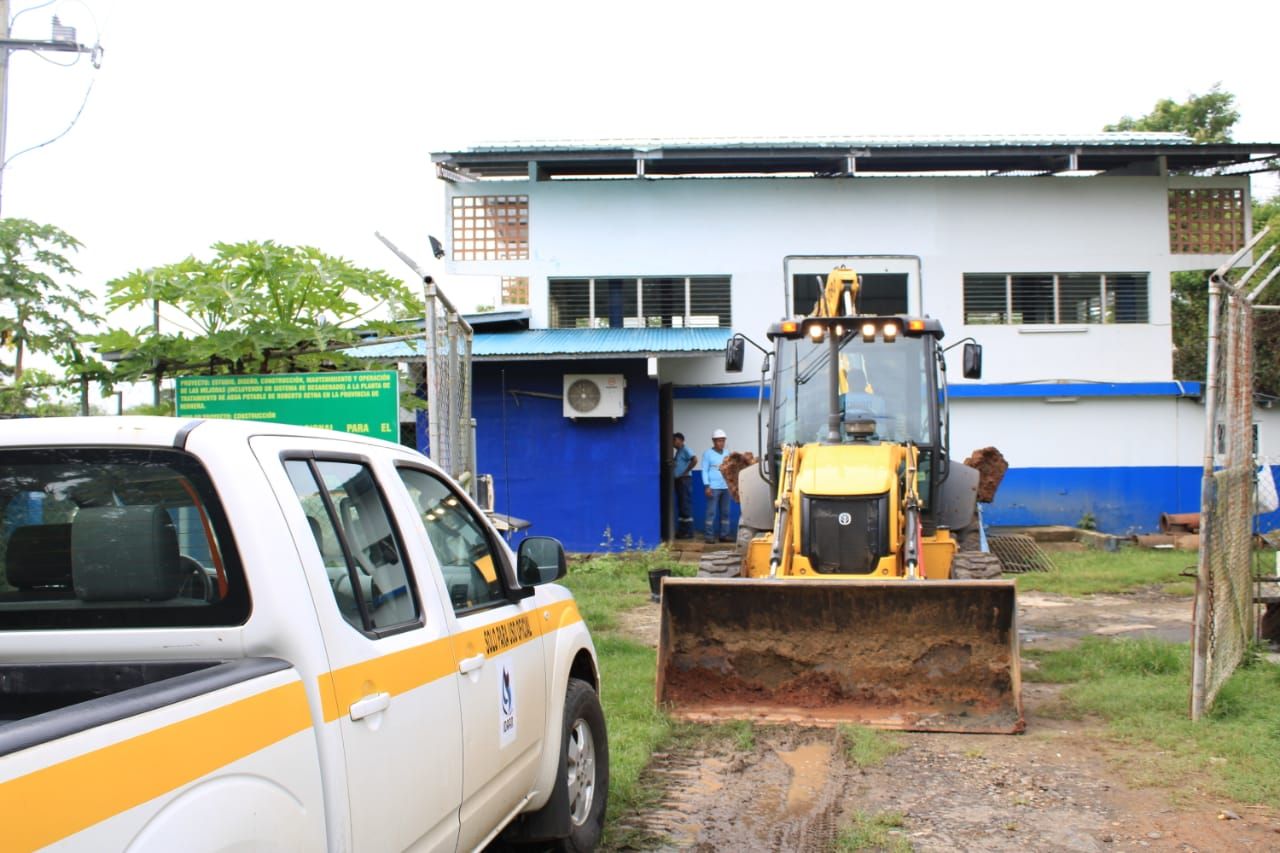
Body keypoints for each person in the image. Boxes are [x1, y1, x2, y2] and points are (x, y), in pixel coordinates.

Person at [702, 429, 731, 544]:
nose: (721, 443)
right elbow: (704, 471)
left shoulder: (727, 453)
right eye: (719, 441)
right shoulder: (707, 454)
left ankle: (724, 535)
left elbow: (729, 469)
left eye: (723, 440)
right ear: (714, 441)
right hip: (713, 487)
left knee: (726, 512)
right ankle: (709, 537)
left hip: (725, 487)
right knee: (711, 512)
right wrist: (707, 486)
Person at [672, 432, 697, 539]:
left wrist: (686, 471)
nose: (673, 443)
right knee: (682, 506)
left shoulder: (685, 449)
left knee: (685, 505)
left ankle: (689, 532)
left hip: (684, 480)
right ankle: (683, 531)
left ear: (681, 440)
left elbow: (694, 459)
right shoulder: (678, 452)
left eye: (674, 440)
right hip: (679, 480)